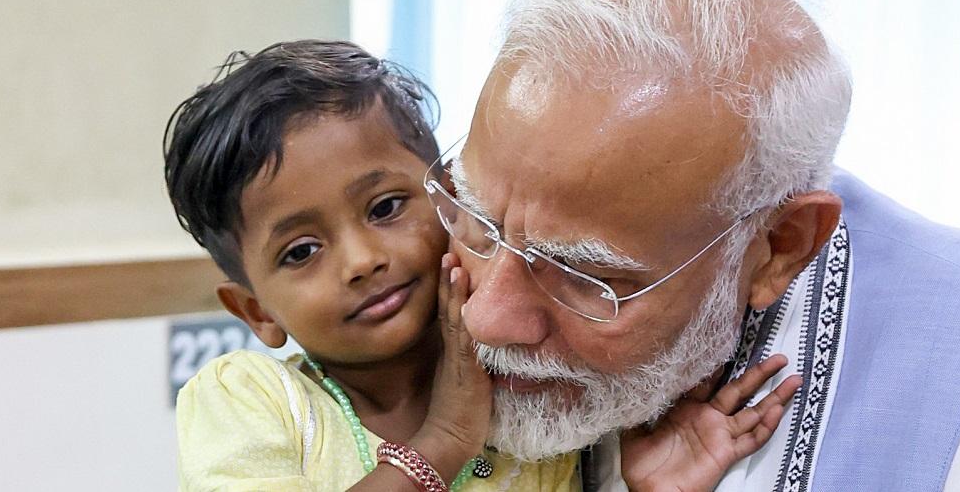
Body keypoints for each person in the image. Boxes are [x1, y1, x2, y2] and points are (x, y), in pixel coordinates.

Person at [437, 0, 960, 491]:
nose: (484, 317)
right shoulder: (405, 287)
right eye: (476, 219)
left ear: (781, 247)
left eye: (584, 275)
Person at [162, 39, 800, 491]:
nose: (361, 260)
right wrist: (441, 443)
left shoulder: (533, 392)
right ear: (257, 311)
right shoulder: (250, 400)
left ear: (457, 199)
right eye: (301, 251)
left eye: (385, 208)